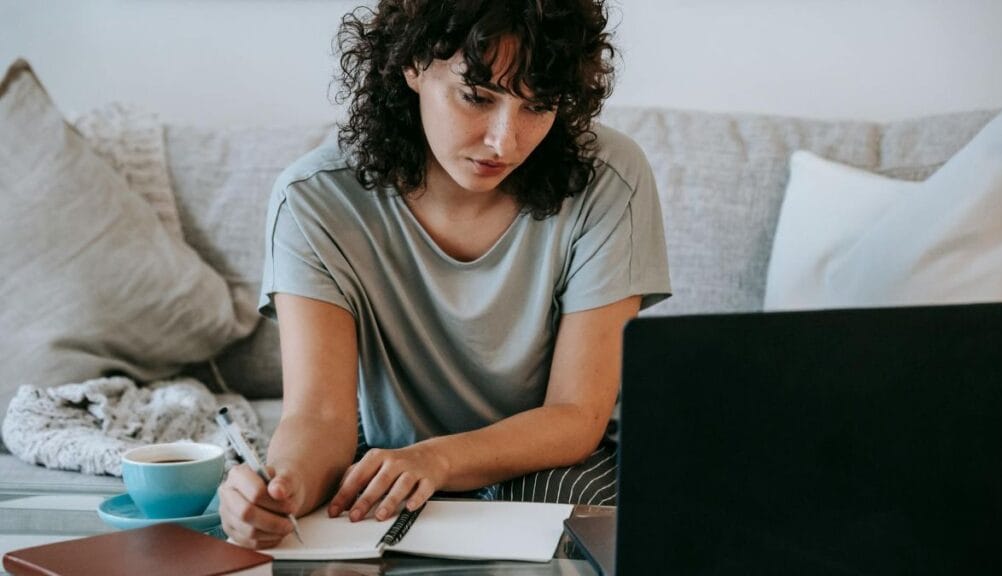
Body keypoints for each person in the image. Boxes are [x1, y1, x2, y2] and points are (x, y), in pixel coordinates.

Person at [219, 0, 671, 549]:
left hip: (556, 460)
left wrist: (439, 458)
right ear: (412, 64)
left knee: (575, 531)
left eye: (539, 106)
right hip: (392, 459)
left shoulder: (609, 181)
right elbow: (318, 415)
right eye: (477, 97)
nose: (505, 141)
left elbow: (576, 415)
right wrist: (282, 487)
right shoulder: (315, 200)